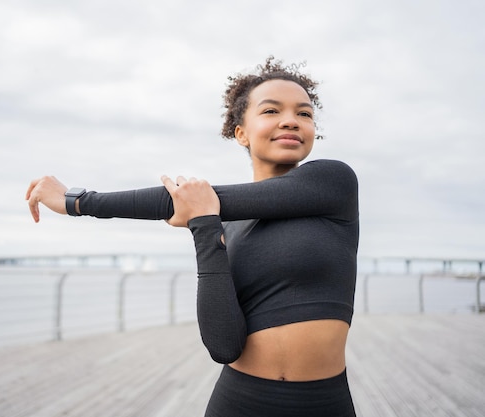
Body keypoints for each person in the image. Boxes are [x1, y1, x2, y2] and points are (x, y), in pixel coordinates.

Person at [26, 57, 359, 416]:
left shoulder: (332, 183)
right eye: (271, 110)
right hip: (238, 401)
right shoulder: (223, 225)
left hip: (324, 403)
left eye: (304, 114)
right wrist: (204, 226)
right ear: (241, 132)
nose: (291, 120)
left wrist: (76, 201)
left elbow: (186, 200)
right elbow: (223, 347)